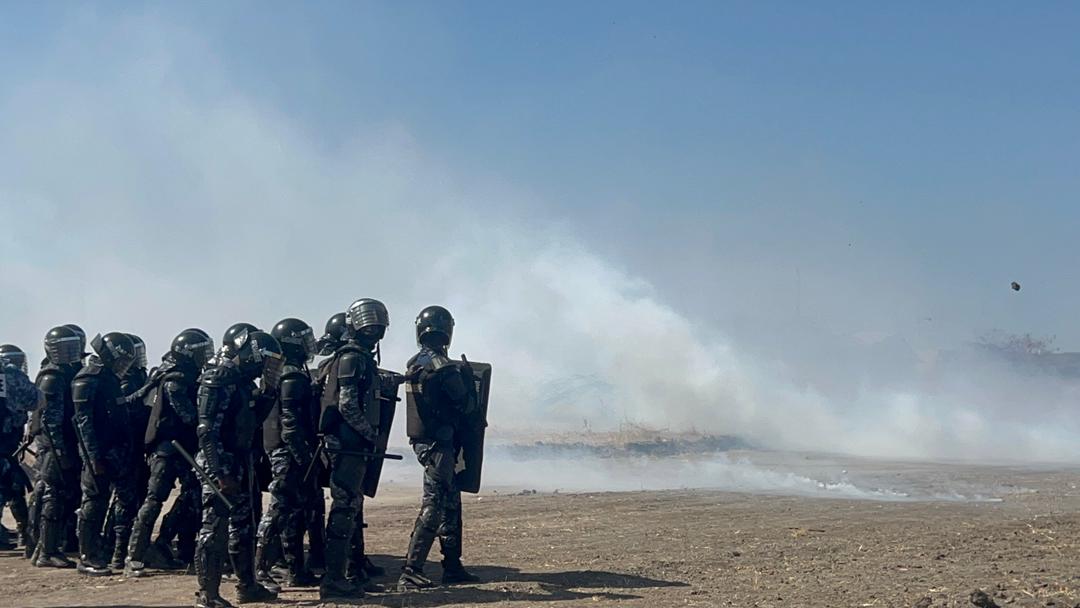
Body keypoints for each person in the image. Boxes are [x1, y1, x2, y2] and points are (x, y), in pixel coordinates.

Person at [194, 327, 283, 608]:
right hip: (219, 465)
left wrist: (268, 396)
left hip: (240, 462)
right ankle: (207, 595)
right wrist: (219, 473)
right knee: (214, 528)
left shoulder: (243, 383)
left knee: (244, 527)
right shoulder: (217, 379)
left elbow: (250, 423)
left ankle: (248, 586)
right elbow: (207, 430)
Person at [399, 306, 481, 589]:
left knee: (449, 503)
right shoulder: (444, 368)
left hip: (425, 442)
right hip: (439, 444)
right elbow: (467, 407)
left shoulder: (414, 362)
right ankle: (411, 569)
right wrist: (471, 385)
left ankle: (452, 566)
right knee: (435, 504)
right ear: (447, 331)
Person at [125, 329, 214, 577]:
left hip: (183, 447)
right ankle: (135, 557)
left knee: (193, 496)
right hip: (168, 449)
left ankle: (164, 542)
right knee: (154, 501)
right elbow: (188, 416)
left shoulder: (184, 375)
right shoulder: (175, 380)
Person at [317, 299, 389, 600]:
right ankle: (334, 580)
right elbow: (347, 403)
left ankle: (350, 573)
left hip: (354, 446)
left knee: (351, 510)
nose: (373, 326)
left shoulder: (358, 358)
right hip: (347, 446)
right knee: (343, 511)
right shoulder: (350, 358)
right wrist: (369, 432)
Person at [253, 318, 321, 591]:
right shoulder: (291, 376)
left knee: (293, 513)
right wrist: (305, 459)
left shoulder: (287, 373)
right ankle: (259, 569)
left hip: (288, 451)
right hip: (287, 452)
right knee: (278, 510)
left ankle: (295, 569)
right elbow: (290, 426)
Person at [72, 332, 139, 576]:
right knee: (93, 503)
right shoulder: (88, 379)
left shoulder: (109, 378)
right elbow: (84, 423)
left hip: (115, 451)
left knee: (117, 501)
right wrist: (93, 458)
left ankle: (105, 550)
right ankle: (87, 556)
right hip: (98, 453)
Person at [29, 325, 84, 568]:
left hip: (63, 444)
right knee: (53, 495)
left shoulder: (67, 372)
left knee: (63, 496)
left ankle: (48, 545)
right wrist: (60, 451)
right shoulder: (52, 378)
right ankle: (46, 552)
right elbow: (51, 421)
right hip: (53, 447)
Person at [0, 346, 39, 551]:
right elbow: (37, 400)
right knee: (11, 485)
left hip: (6, 442)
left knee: (13, 485)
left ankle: (24, 531)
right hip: (5, 441)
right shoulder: (10, 375)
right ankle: (25, 532)